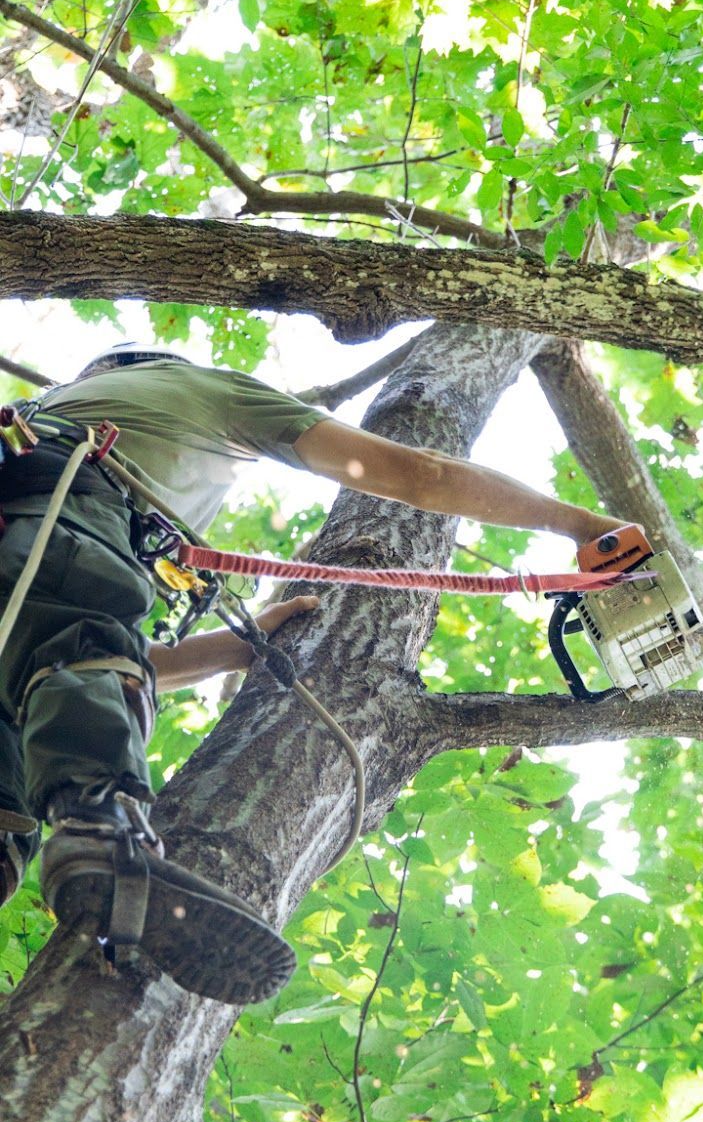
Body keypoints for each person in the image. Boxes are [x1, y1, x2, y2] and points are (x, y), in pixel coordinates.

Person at [0, 344, 622, 1006]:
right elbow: (417, 475)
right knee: (81, 644)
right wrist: (581, 525)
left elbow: (64, 664)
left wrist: (234, 649)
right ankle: (101, 835)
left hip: (28, 556)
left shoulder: (62, 444)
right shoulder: (192, 390)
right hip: (56, 515)